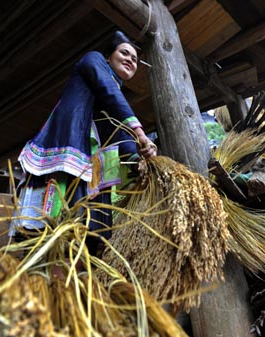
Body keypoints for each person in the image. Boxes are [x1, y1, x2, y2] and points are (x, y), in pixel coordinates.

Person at [10, 30, 157, 254]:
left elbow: (120, 135)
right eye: (124, 53)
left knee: (93, 227)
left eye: (135, 59)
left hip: (94, 169)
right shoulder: (93, 60)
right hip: (69, 152)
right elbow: (109, 93)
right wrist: (140, 132)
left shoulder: (114, 95)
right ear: (108, 57)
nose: (130, 60)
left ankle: (79, 274)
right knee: (60, 222)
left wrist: (141, 158)